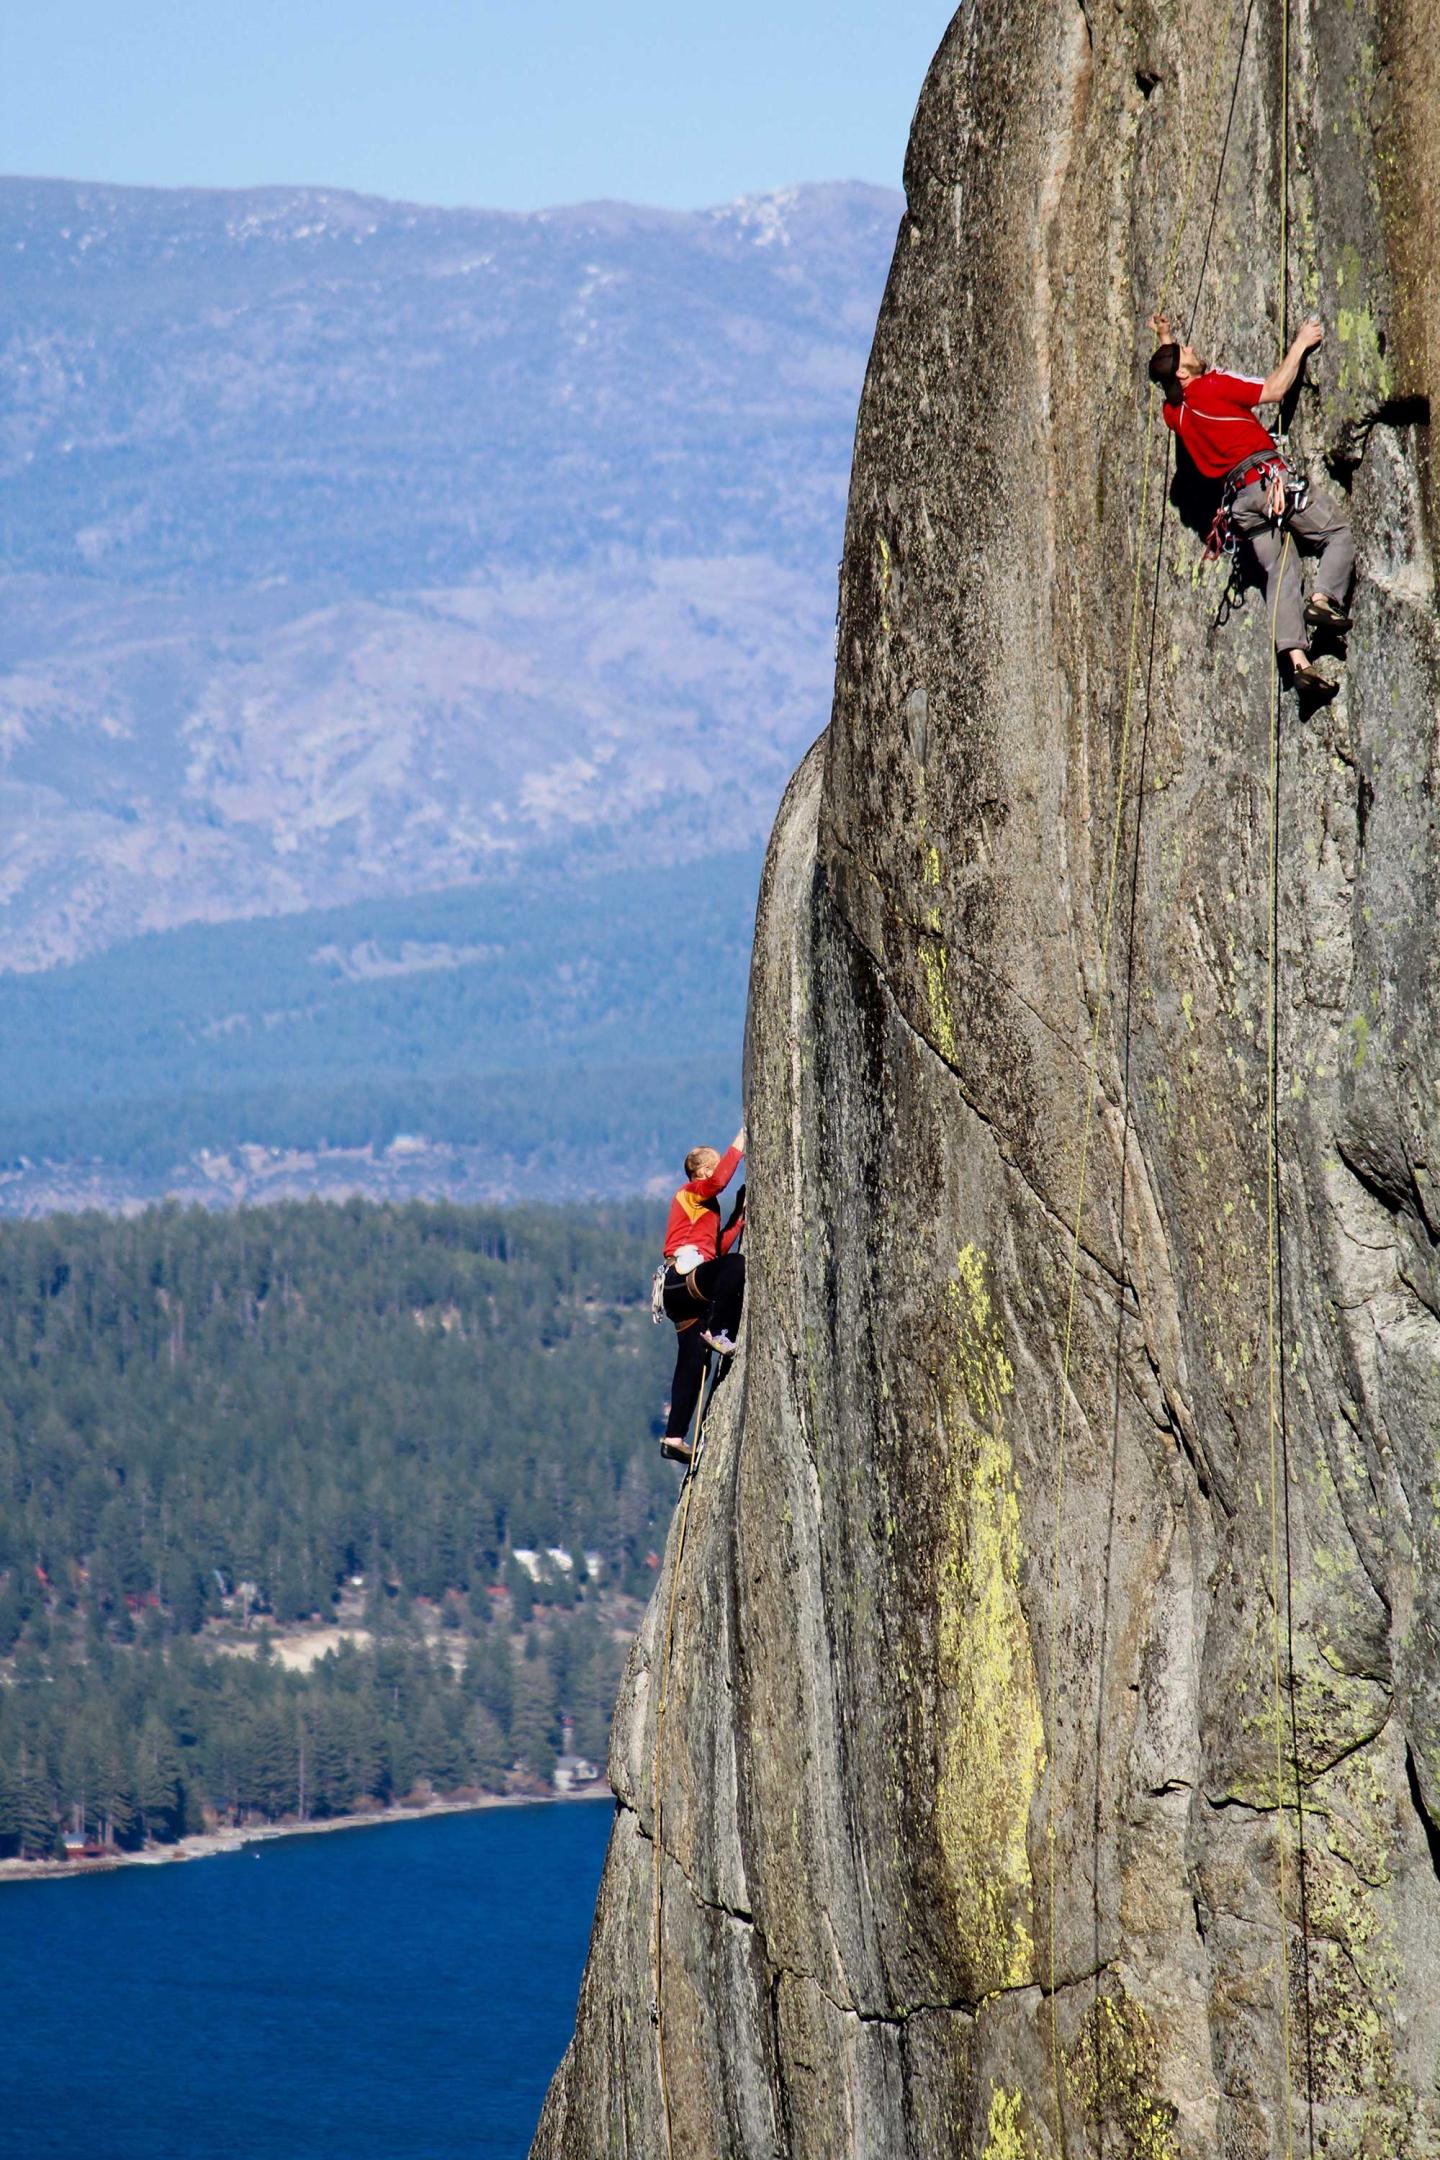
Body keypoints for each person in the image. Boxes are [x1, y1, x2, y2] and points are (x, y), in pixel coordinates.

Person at [1148, 311, 1355, 696]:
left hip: (1241, 504)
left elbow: (1168, 375)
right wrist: (1301, 343)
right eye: (1184, 350)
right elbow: (1274, 389)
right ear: (1183, 372)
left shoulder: (1174, 414)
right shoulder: (1213, 385)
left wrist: (1164, 335)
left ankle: (1298, 661)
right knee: (1337, 531)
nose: (1191, 348)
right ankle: (1324, 598)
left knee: (1281, 570)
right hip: (1268, 481)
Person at [657, 1126, 746, 1466]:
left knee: (694, 1364)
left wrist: (737, 1219)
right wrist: (740, 1143)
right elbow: (719, 1182)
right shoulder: (691, 1193)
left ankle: (674, 1437)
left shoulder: (704, 1208)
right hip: (684, 1279)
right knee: (735, 1266)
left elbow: (715, 1248)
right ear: (704, 1171)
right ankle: (719, 1331)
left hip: (681, 1290)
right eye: (717, 1164)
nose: (721, 1167)